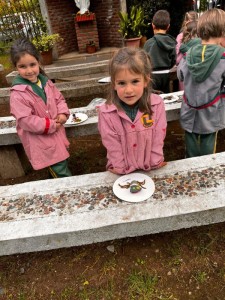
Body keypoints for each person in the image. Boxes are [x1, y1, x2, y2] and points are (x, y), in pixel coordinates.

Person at [98, 47, 167, 175]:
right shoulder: (106, 113)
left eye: (135, 81)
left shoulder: (157, 105)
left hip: (150, 167)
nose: (129, 90)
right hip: (121, 171)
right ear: (113, 84)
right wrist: (120, 168)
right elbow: (112, 145)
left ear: (146, 80)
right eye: (122, 83)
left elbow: (158, 137)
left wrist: (155, 161)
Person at [10, 38, 72, 177]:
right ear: (16, 67)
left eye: (32, 64)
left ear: (39, 62)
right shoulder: (18, 93)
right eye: (23, 66)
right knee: (60, 169)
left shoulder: (45, 82)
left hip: (56, 134)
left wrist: (62, 113)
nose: (29, 70)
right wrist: (50, 124)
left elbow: (59, 99)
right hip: (41, 140)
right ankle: (67, 189)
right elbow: (25, 120)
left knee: (59, 161)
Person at [177, 8, 225, 158]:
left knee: (190, 148)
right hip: (211, 114)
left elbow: (180, 76)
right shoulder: (223, 58)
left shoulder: (188, 55)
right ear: (223, 32)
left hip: (189, 112)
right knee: (208, 152)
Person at [143, 10, 176, 93]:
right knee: (166, 97)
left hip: (152, 76)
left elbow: (144, 61)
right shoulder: (172, 42)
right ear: (168, 26)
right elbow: (173, 60)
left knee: (153, 98)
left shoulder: (148, 43)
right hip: (166, 75)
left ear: (153, 26)